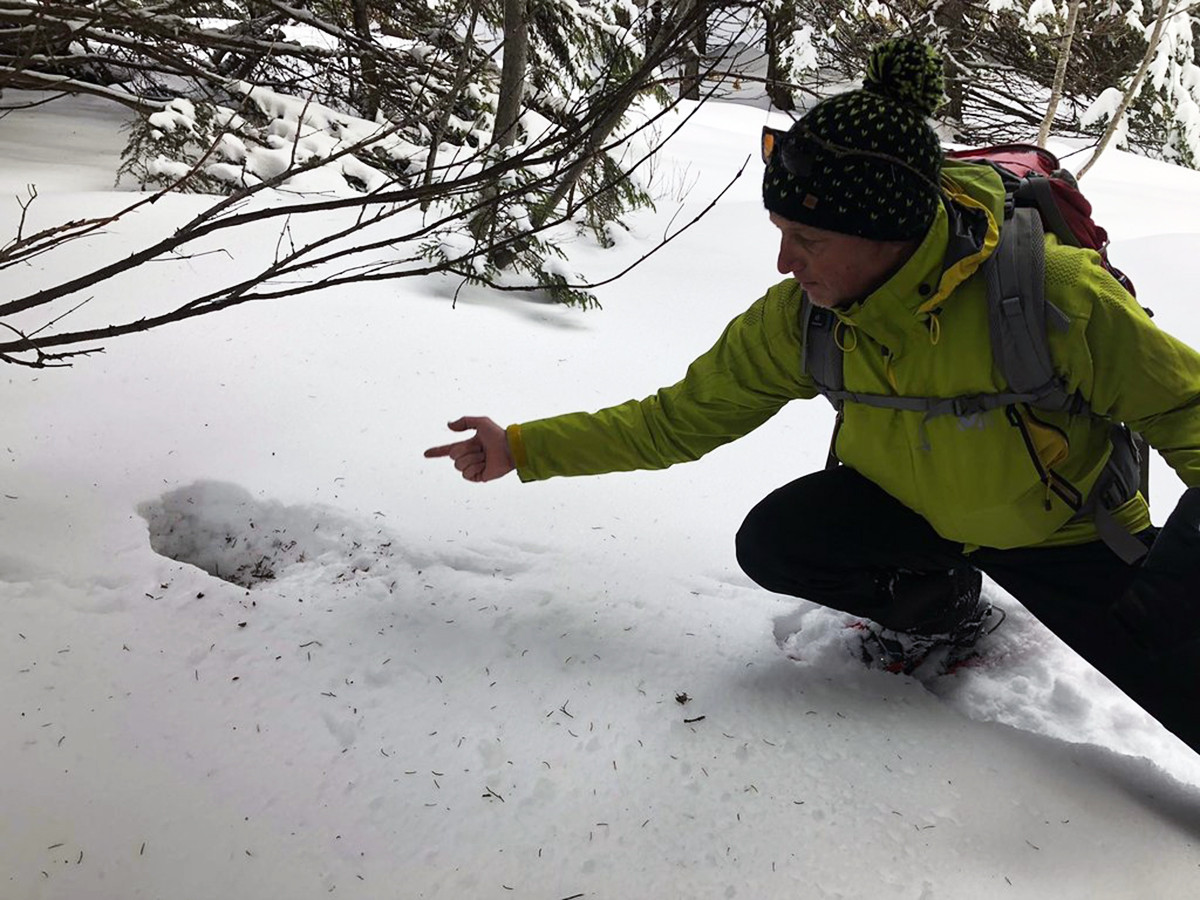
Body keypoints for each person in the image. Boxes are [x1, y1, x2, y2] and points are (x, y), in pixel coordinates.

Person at [425, 39, 1200, 755]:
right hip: (915, 510)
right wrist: (524, 447)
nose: (783, 261)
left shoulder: (1051, 295)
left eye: (810, 239)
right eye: (778, 229)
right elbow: (679, 420)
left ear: (889, 231)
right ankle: (945, 612)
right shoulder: (805, 319)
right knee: (780, 540)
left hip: (1063, 532)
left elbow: (1186, 411)